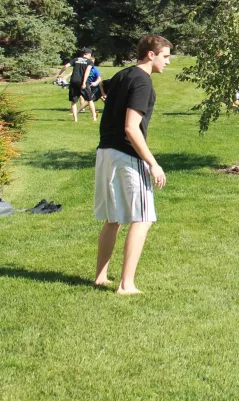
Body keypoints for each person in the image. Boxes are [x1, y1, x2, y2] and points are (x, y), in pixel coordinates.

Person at [93, 34, 172, 295]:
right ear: (151, 54)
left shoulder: (123, 75)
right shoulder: (143, 82)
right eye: (165, 56)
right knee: (143, 218)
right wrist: (153, 163)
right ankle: (126, 284)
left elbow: (100, 88)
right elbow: (131, 127)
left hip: (105, 151)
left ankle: (101, 277)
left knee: (113, 218)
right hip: (126, 155)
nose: (168, 61)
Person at [56, 48, 94, 122]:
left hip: (73, 81)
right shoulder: (89, 62)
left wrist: (60, 74)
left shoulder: (75, 59)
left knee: (74, 101)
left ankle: (75, 119)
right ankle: (94, 118)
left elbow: (66, 66)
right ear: (89, 54)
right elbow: (87, 72)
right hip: (83, 82)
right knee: (90, 100)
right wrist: (83, 82)